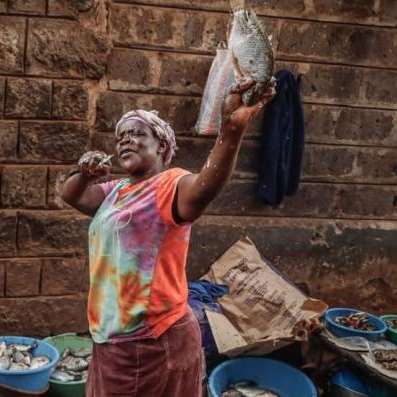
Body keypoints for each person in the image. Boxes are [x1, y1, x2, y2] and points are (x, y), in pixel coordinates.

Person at [60, 78, 274, 397]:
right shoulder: (116, 190)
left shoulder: (169, 184)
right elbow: (72, 196)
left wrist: (231, 129)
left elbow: (205, 188)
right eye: (120, 137)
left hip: (152, 340)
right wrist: (84, 174)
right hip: (111, 336)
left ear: (161, 145)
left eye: (136, 134)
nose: (125, 141)